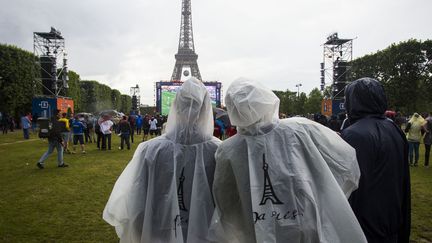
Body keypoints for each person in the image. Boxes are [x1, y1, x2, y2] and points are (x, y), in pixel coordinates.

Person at [211, 78, 366, 243]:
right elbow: (345, 163)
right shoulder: (301, 128)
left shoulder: (228, 149)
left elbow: (226, 202)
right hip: (307, 225)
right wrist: (325, 194)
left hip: (256, 230)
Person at [103, 78, 221, 243]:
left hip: (160, 232)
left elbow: (138, 200)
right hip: (206, 232)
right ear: (206, 109)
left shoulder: (150, 149)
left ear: (176, 107)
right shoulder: (219, 150)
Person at [341, 77, 411, 243]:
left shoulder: (353, 134)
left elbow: (349, 187)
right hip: (391, 220)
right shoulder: (393, 128)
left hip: (364, 227)